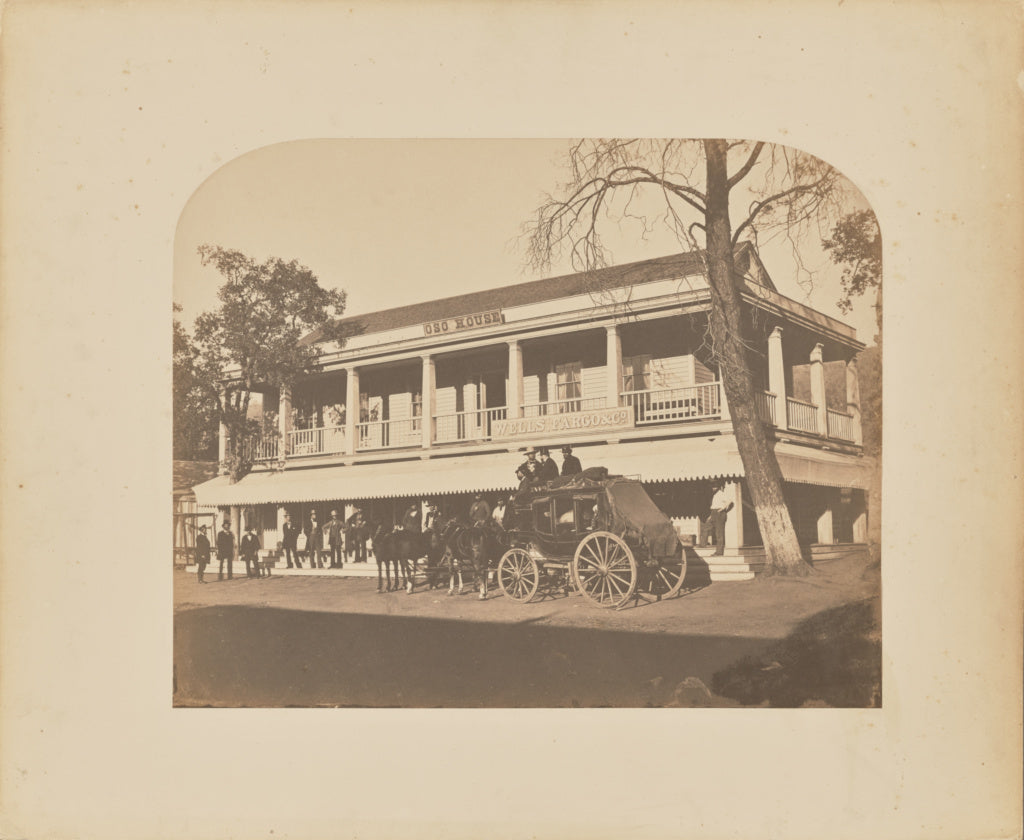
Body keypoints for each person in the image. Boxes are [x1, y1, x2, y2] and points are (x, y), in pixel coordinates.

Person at [702, 481, 734, 556]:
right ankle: (702, 545)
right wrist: (711, 516)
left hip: (719, 514)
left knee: (719, 533)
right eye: (712, 486)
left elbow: (730, 501)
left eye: (715, 486)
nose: (713, 488)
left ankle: (719, 552)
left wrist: (723, 509)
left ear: (719, 487)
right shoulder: (714, 495)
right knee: (706, 527)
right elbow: (713, 506)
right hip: (713, 513)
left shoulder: (721, 493)